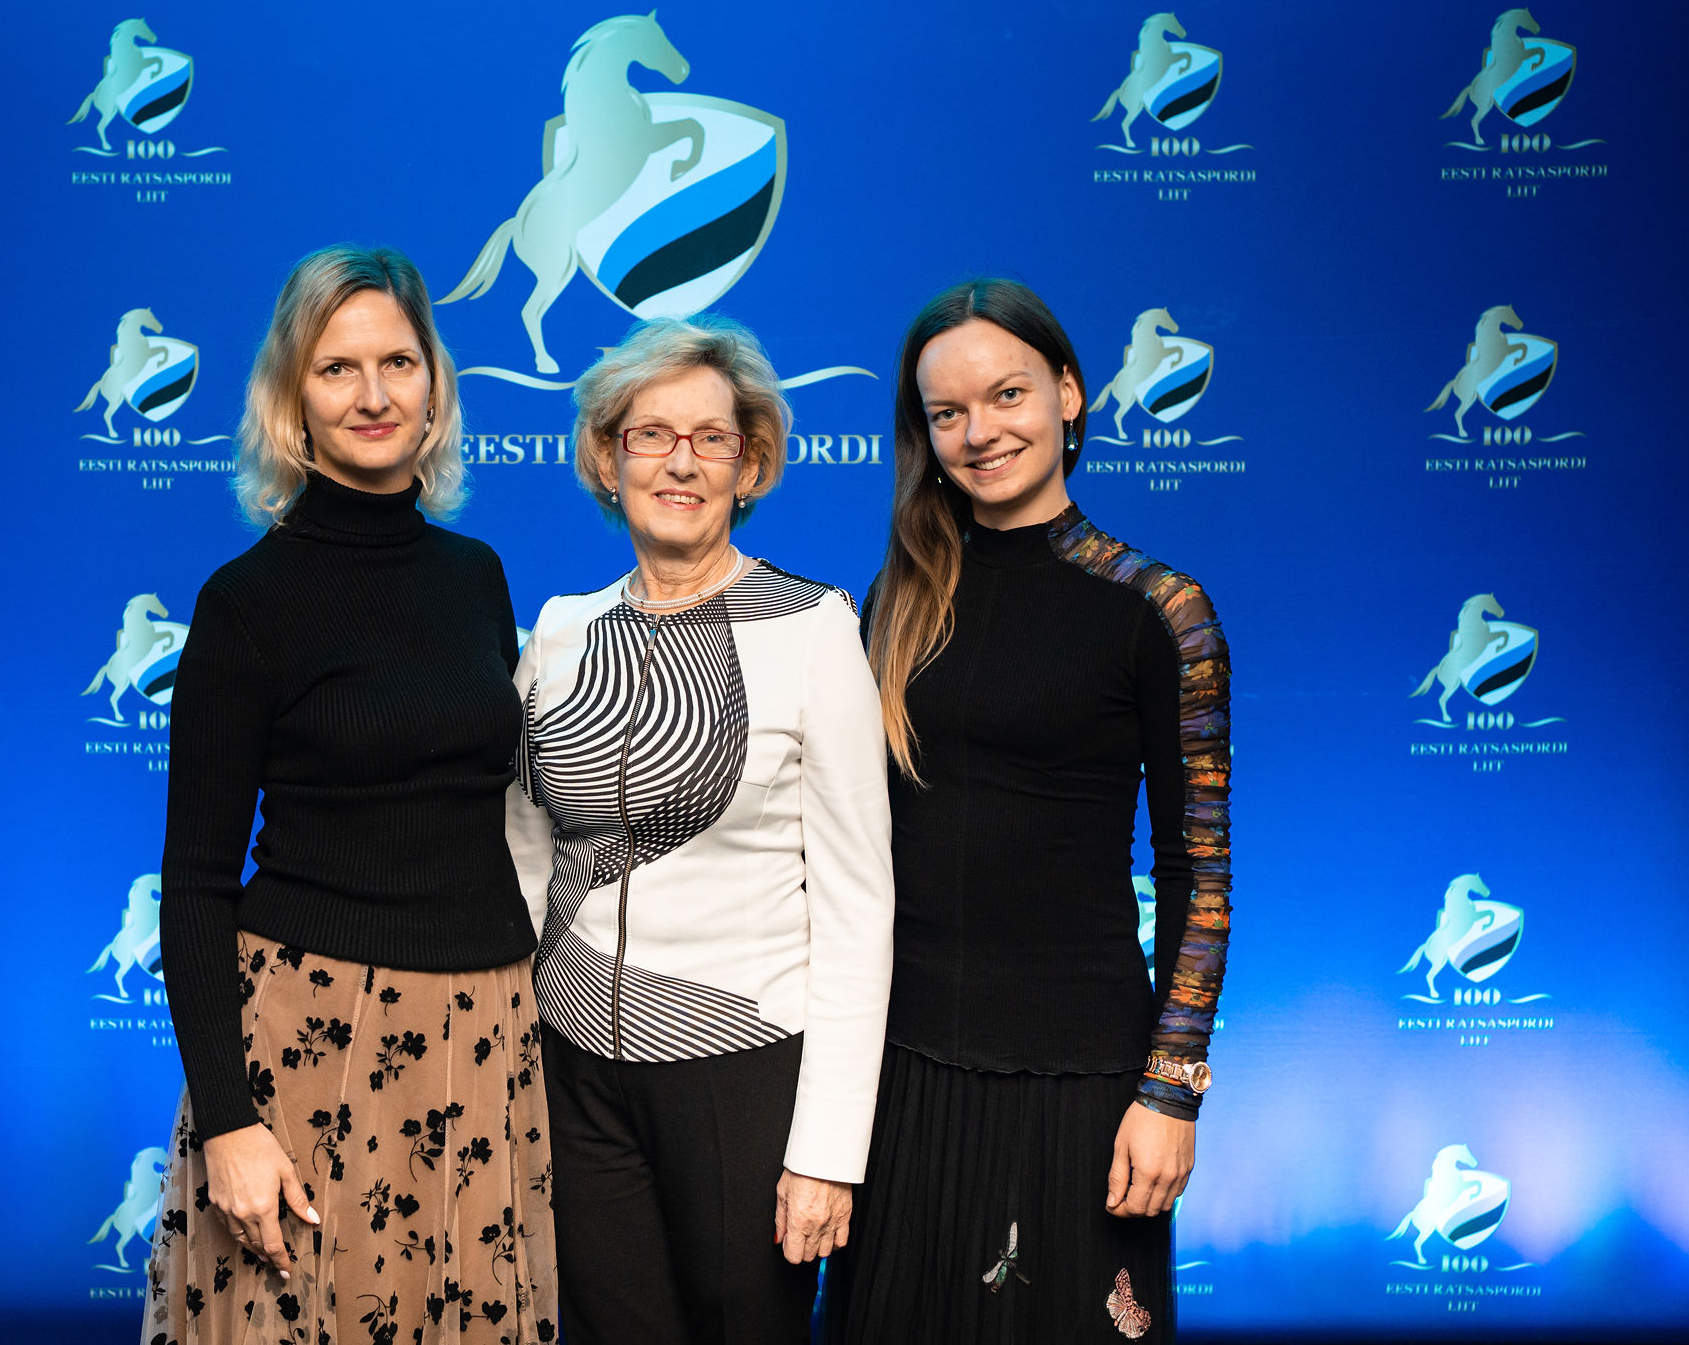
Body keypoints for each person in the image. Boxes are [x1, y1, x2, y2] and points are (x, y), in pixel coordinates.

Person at [142, 245, 556, 1345]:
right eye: (337, 369)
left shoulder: (476, 576)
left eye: (397, 363)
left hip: (485, 1026)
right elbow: (194, 883)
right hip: (310, 1037)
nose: (373, 395)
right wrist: (227, 1122)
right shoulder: (245, 603)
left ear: (434, 384)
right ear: (293, 399)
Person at [828, 279, 1231, 1344]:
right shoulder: (896, 599)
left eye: (1006, 394)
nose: (979, 432)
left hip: (1082, 1080)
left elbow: (1197, 875)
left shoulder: (1160, 609)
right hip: (900, 1073)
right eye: (946, 412)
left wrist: (1171, 1092)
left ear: (1068, 392)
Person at [504, 315, 895, 1345]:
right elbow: (525, 856)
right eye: (650, 434)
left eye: (711, 438)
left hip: (745, 1074)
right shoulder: (558, 630)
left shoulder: (815, 628)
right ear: (607, 457)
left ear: (749, 464)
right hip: (573, 1070)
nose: (680, 462)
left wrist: (827, 1151)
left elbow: (858, 908)